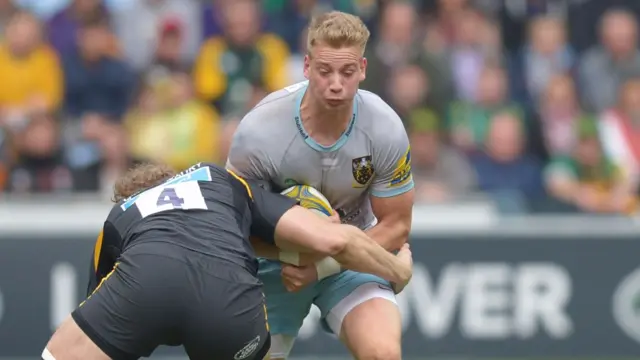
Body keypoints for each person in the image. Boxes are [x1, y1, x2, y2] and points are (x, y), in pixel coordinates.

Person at [42, 162, 413, 360]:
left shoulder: (119, 216)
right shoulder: (221, 180)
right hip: (227, 297)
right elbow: (335, 236)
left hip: (144, 282)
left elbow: (98, 318)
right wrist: (398, 270)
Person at [226, 11, 414, 360]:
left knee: (383, 354)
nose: (336, 84)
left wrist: (320, 267)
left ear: (363, 69)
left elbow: (397, 224)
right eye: (325, 71)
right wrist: (294, 255)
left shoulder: (385, 128)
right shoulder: (260, 131)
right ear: (307, 66)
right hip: (275, 266)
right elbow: (232, 225)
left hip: (354, 258)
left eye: (347, 72)